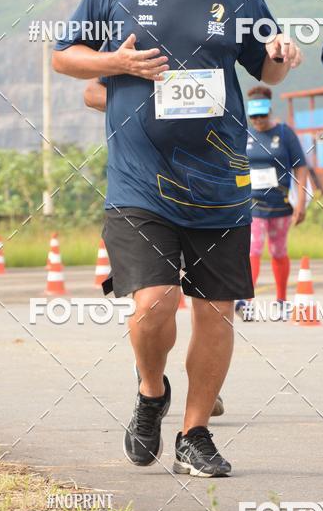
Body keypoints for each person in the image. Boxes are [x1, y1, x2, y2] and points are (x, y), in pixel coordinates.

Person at [54, 0, 301, 477]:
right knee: (156, 302)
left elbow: (266, 68)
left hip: (220, 183)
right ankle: (150, 390)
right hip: (140, 181)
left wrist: (281, 55)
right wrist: (117, 62)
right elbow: (64, 55)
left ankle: (194, 434)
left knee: (216, 309)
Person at [84, 76, 226, 416]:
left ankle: (204, 391)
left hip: (204, 189)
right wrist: (154, 108)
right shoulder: (134, 36)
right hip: (144, 190)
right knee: (157, 298)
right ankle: (151, 379)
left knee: (210, 306)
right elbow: (91, 92)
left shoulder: (213, 38)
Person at [235, 85, 308, 321]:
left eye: (261, 116)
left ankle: (282, 299)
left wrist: (301, 203)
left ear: (269, 111)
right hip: (253, 204)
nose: (257, 121)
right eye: (253, 116)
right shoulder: (245, 133)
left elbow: (301, 167)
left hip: (280, 203)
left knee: (278, 251)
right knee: (253, 249)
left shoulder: (285, 134)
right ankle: (247, 300)